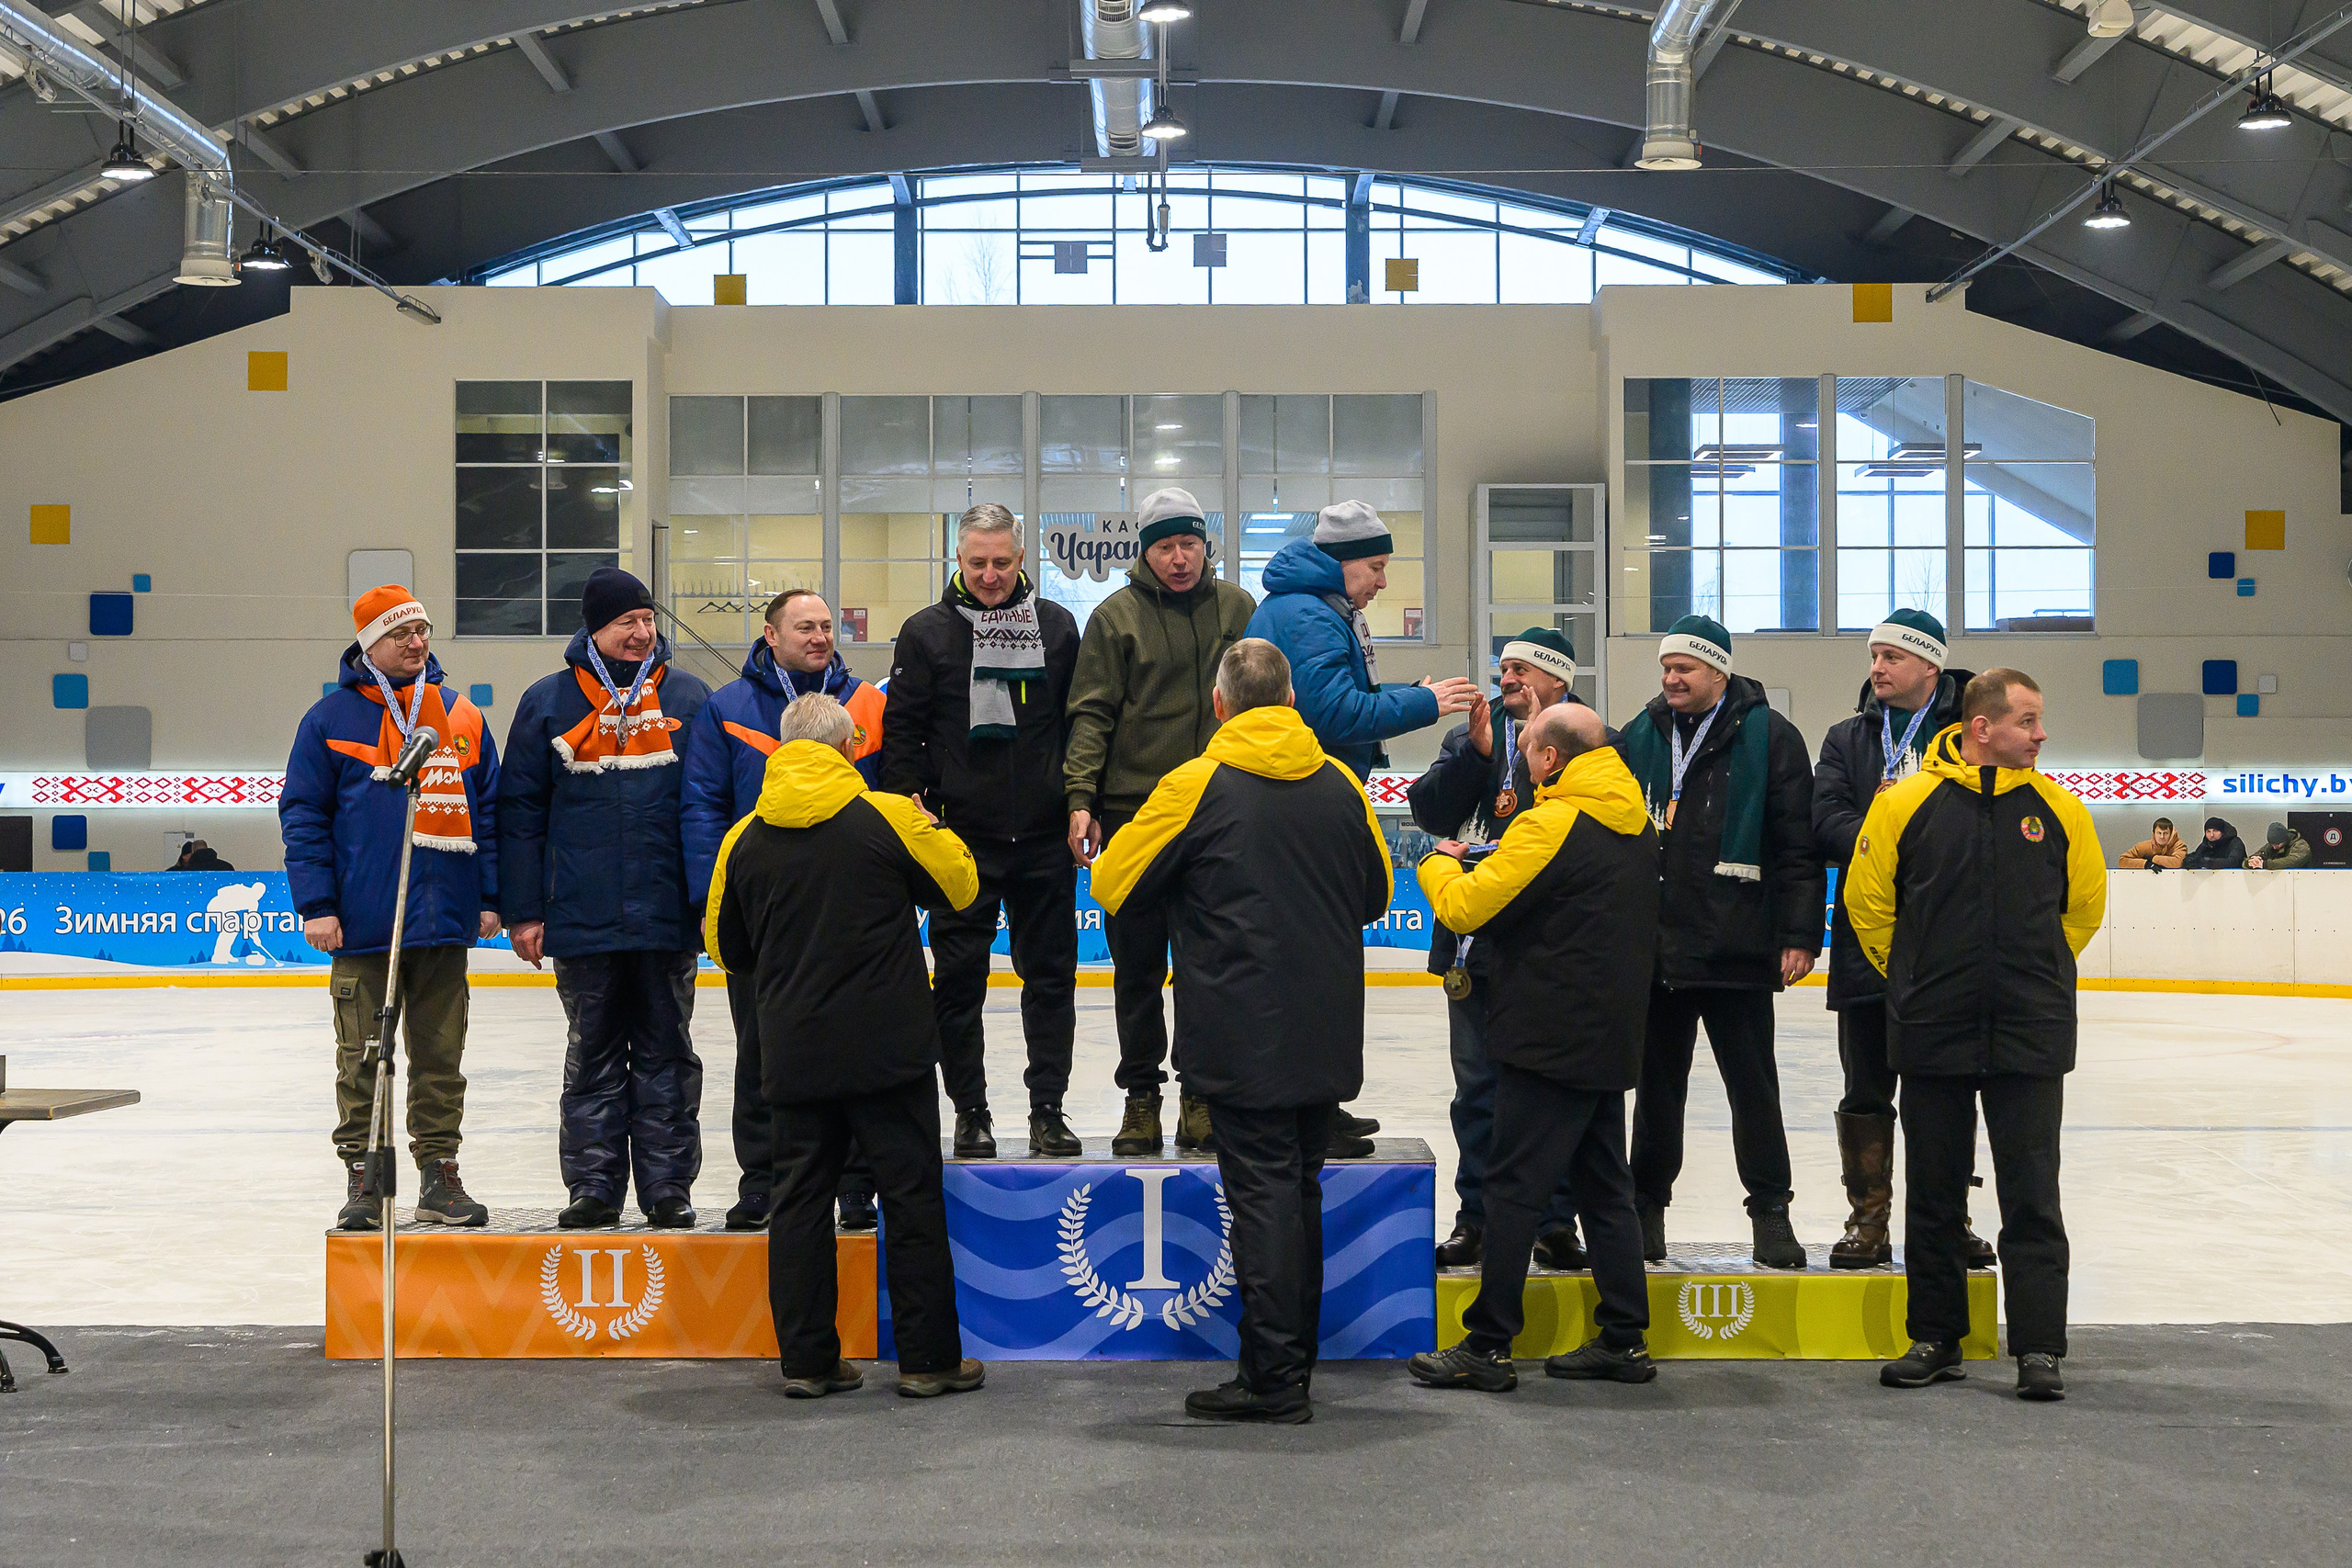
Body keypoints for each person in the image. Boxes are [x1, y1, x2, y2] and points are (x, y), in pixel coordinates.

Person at [1091, 639, 1392, 1424]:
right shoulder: (1341, 784)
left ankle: (1272, 1379)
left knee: (1261, 1198)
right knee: (1297, 1191)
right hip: (1326, 1027)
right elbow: (1375, 892)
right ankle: (1291, 1364)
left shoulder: (1193, 785)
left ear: (1218, 706)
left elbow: (1113, 881)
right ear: (1292, 703)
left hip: (1237, 1025)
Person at [705, 693, 986, 1401]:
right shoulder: (888, 814)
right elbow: (961, 885)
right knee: (911, 1197)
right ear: (850, 747)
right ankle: (927, 1361)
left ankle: (807, 1361)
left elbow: (723, 944)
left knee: (798, 1202)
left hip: (793, 1049)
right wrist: (933, 827)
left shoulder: (743, 836)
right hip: (889, 1046)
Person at [1845, 669, 2104, 1402]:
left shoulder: (2061, 811)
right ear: (1983, 727)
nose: (2041, 733)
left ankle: (2039, 1347)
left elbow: (2081, 908)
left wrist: (2036, 972)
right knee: (1933, 1190)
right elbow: (1868, 904)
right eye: (2028, 720)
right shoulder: (1906, 804)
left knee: (2032, 1194)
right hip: (1934, 1024)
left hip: (2029, 1027)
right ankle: (1935, 1335)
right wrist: (1914, 975)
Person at [1406, 704, 1663, 1393]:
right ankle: (1624, 1337)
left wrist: (1438, 865)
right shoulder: (1635, 817)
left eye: (1525, 749)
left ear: (1550, 759)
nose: (1519, 760)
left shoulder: (1552, 821)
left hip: (1547, 1035)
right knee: (1605, 1186)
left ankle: (1488, 1343)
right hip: (1607, 1034)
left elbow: (1468, 908)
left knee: (1512, 1187)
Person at [282, 585, 499, 1231]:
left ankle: (439, 1175)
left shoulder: (461, 714)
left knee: (440, 1057)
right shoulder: (328, 720)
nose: (417, 642)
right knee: (364, 1055)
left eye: (423, 630)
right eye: (401, 633)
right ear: (368, 644)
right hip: (363, 924)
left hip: (442, 922)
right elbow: (303, 817)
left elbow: (490, 809)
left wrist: (490, 897)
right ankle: (365, 1177)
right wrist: (317, 904)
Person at [502, 567, 712, 1231]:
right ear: (595, 628)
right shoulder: (548, 703)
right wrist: (524, 909)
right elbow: (520, 815)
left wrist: (707, 903)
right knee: (592, 1055)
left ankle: (667, 1187)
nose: (642, 632)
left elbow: (707, 806)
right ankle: (592, 1187)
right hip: (582, 917)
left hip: (665, 916)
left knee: (666, 1053)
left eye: (648, 620)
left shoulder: (688, 695)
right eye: (627, 622)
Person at [1621, 614, 1823, 1269]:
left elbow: (1798, 847)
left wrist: (1800, 934)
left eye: (1684, 667)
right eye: (1666, 667)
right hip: (1658, 949)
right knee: (1656, 1091)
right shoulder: (1640, 734)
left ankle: (1771, 1211)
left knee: (1754, 1086)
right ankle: (1645, 1208)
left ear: (1718, 671)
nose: (1670, 678)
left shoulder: (1772, 738)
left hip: (1738, 945)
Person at [681, 587, 886, 1233]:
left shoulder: (868, 705)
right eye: (805, 626)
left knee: (856, 1048)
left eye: (827, 625)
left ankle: (855, 1183)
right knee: (762, 1054)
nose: (820, 635)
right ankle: (765, 1180)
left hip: (851, 911)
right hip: (765, 912)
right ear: (771, 635)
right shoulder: (728, 708)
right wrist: (717, 901)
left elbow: (896, 796)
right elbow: (703, 807)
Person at [883, 503, 1084, 1161]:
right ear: (958, 561)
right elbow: (903, 736)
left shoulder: (1057, 628)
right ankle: (970, 1111)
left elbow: (1074, 725)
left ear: (1022, 560)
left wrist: (1081, 800)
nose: (991, 575)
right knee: (959, 983)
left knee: (1051, 978)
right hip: (961, 841)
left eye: (1002, 562)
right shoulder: (926, 633)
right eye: (978, 563)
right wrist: (913, 814)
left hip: (1045, 837)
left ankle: (1047, 1109)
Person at [1064, 487, 1257, 1158]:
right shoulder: (1115, 617)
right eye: (1165, 546)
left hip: (1217, 810)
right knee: (1138, 967)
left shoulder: (1239, 608)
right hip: (1134, 814)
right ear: (1144, 551)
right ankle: (1140, 1094)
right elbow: (1091, 713)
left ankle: (1201, 1094)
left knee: (1208, 966)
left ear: (1208, 545)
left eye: (1190, 544)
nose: (1179, 558)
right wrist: (1080, 797)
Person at [1810, 609, 1992, 1270]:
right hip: (1865, 940)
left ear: (1929, 667)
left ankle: (1950, 1219)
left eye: (1891, 656)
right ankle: (1869, 1221)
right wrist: (1896, 843)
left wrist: (1899, 845)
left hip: (1947, 944)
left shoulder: (1968, 732)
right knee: (1865, 1088)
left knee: (1946, 1090)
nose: (1877, 668)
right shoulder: (1846, 739)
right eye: (1873, 656)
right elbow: (1824, 818)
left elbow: (1980, 815)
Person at [1407, 626, 1591, 1269]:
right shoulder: (1468, 739)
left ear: (1557, 681)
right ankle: (1476, 1218)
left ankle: (1554, 1221)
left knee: (1548, 1092)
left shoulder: (1583, 743)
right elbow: (1429, 813)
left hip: (1549, 948)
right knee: (1478, 1091)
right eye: (1503, 667)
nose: (1507, 678)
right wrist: (1478, 757)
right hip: (1475, 947)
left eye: (1521, 670)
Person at [1244, 500, 1477, 780]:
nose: (1383, 582)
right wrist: (1423, 703)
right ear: (1342, 561)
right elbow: (1335, 715)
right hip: (1306, 784)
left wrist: (1412, 697)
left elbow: (1328, 699)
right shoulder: (1310, 616)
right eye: (1375, 568)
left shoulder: (1301, 605)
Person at [2119, 818, 2188, 870]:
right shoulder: (2143, 847)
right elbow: (2122, 861)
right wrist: (2145, 864)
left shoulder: (2179, 845)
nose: (2162, 836)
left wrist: (2153, 859)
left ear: (2171, 834)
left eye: (2165, 833)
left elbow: (2178, 862)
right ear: (2153, 833)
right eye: (2159, 833)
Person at [2182, 816, 2246, 869]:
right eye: (2208, 831)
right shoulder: (2206, 844)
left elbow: (2234, 862)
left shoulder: (2235, 842)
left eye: (2215, 831)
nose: (2212, 835)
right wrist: (2190, 862)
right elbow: (2195, 857)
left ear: (2222, 832)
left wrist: (2208, 863)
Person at [2245, 821, 2312, 870]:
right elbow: (2251, 858)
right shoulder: (2272, 846)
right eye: (2272, 844)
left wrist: (2265, 864)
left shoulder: (2302, 846)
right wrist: (2251, 862)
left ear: (2284, 840)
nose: (2274, 847)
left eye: (2277, 844)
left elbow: (2291, 862)